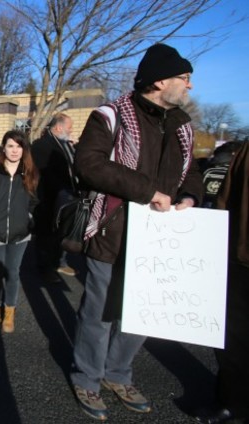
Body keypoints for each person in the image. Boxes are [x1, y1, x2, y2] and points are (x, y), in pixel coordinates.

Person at [70, 43, 203, 421]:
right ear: (161, 80)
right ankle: (87, 378)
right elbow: (89, 164)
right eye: (185, 78)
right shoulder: (110, 116)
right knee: (98, 314)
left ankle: (118, 374)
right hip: (113, 231)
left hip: (161, 240)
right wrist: (149, 192)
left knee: (144, 313)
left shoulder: (181, 125)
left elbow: (191, 173)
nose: (189, 86)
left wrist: (190, 197)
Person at [195, 142, 249, 424]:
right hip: (239, 257)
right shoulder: (244, 152)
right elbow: (225, 199)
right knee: (233, 339)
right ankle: (231, 403)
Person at [0, 130, 38, 333]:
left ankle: (9, 312)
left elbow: (37, 202)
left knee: (13, 273)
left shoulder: (31, 174)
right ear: (4, 148)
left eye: (19, 146)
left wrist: (29, 218)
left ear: (24, 149)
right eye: (10, 146)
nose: (14, 150)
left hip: (20, 236)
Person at [30, 113, 78, 282]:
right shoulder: (41, 145)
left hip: (65, 197)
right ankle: (45, 268)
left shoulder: (65, 145)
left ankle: (60, 262)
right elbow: (45, 174)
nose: (71, 131)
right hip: (48, 199)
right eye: (69, 127)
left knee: (61, 233)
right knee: (46, 236)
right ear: (58, 127)